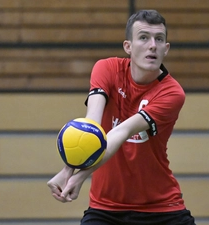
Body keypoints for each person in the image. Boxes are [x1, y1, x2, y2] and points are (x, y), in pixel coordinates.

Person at [47, 9, 196, 225]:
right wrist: (68, 169)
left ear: (166, 48)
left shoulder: (172, 93)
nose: (152, 45)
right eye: (144, 38)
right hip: (106, 209)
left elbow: (120, 132)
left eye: (159, 39)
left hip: (161, 208)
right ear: (128, 46)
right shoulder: (106, 68)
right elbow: (91, 128)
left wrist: (79, 176)